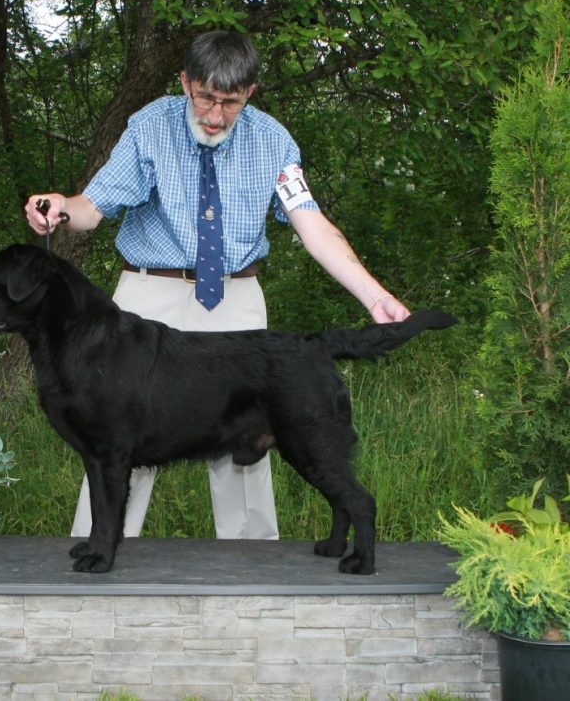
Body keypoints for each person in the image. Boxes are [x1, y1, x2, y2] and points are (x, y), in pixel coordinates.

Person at [26, 30, 410, 541]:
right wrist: (61, 208)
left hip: (236, 297)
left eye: (230, 102)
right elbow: (93, 207)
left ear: (250, 92)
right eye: (205, 97)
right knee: (113, 430)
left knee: (250, 444)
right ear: (185, 81)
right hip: (149, 296)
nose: (214, 115)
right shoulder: (149, 126)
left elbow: (312, 226)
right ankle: (97, 550)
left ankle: (252, 562)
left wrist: (375, 296)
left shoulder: (273, 140)